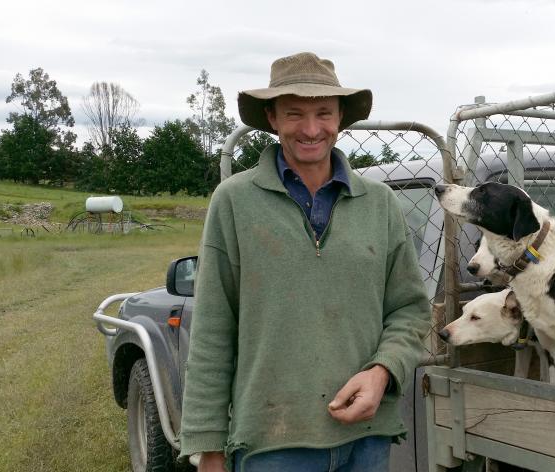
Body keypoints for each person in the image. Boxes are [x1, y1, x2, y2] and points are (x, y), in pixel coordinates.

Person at [179, 52, 431, 472]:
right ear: (272, 118)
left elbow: (410, 309)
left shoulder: (381, 204)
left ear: (341, 118)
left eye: (323, 113)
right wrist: (208, 446)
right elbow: (211, 330)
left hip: (367, 439)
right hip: (271, 442)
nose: (311, 129)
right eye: (294, 113)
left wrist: (383, 371)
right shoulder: (234, 202)